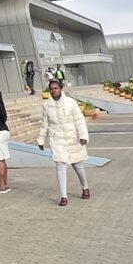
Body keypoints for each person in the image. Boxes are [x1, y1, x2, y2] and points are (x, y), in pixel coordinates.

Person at [37, 76, 92, 206]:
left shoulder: (71, 102)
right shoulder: (46, 106)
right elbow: (45, 123)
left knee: (77, 165)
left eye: (56, 88)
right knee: (60, 166)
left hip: (73, 138)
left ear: (61, 88)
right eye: (51, 89)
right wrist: (41, 139)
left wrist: (83, 136)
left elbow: (79, 120)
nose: (53, 91)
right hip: (57, 140)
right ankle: (63, 196)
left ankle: (85, 187)